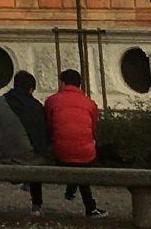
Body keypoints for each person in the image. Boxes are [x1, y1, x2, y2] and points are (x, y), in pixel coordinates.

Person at [44, 68, 106, 217]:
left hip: (60, 151)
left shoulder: (52, 100)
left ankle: (72, 190)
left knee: (69, 154)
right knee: (81, 161)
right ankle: (89, 207)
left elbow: (48, 124)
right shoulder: (89, 103)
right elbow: (93, 128)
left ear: (63, 83)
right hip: (86, 153)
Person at [0, 70, 51, 209]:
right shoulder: (36, 106)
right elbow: (41, 137)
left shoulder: (0, 102)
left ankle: (26, 183)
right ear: (31, 89)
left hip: (5, 157)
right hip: (29, 159)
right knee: (38, 160)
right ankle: (37, 205)